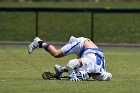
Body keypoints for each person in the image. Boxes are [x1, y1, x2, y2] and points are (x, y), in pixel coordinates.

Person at [28, 36, 112, 81]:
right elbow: (71, 63)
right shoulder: (90, 64)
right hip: (81, 44)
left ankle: (60, 69)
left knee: (79, 68)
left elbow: (109, 76)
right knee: (56, 54)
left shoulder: (101, 72)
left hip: (88, 52)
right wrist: (72, 76)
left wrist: (80, 74)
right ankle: (39, 42)